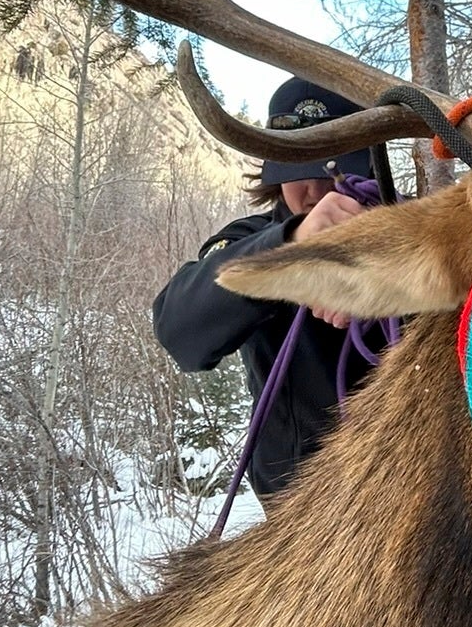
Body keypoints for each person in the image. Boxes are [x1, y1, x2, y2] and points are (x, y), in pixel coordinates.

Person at [153, 79, 390, 502]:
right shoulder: (250, 239)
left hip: (412, 489)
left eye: (330, 172)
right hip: (301, 512)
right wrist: (290, 249)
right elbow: (179, 329)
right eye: (297, 172)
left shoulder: (406, 229)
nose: (315, 192)